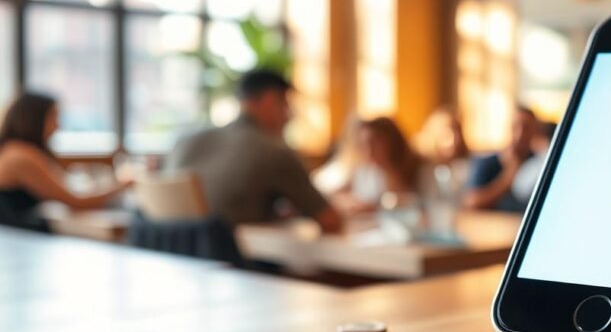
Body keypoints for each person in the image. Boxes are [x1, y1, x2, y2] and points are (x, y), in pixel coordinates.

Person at [165, 69, 342, 232]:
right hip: (236, 264)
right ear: (268, 100)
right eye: (285, 104)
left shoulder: (185, 140)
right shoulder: (273, 151)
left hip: (172, 263)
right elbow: (330, 220)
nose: (289, 115)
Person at [0, 93, 130, 231]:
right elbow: (76, 202)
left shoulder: (12, 150)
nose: (58, 126)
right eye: (53, 118)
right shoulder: (21, 156)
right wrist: (124, 184)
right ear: (35, 119)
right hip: (22, 240)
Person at [332, 117, 425, 215]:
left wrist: (375, 207)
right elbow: (335, 195)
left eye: (374, 142)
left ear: (392, 141)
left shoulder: (418, 170)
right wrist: (353, 203)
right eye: (363, 144)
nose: (369, 150)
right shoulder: (364, 171)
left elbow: (423, 205)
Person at [464, 106, 538, 212]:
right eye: (516, 127)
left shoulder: (540, 164)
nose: (520, 134)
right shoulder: (487, 163)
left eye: (526, 128)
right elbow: (472, 202)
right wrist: (509, 175)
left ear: (534, 131)